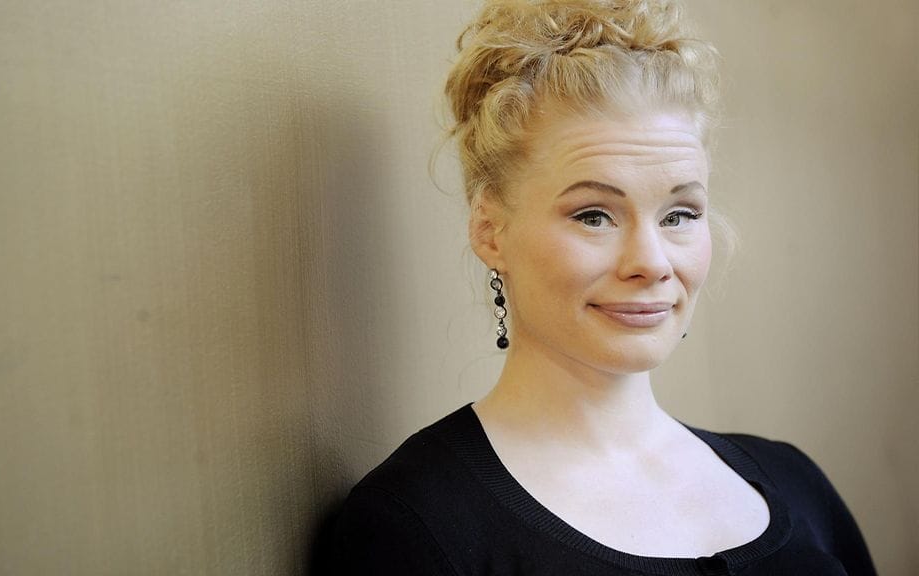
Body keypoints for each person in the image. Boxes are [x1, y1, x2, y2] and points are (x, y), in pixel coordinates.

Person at [326, 1, 877, 574]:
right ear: (490, 230)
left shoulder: (797, 483)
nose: (652, 263)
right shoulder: (416, 523)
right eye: (594, 215)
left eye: (679, 215)